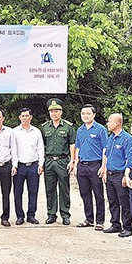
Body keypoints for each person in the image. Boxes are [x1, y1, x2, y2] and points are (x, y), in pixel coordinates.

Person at [40, 98, 75, 226]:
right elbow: (41, 145)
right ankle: (51, 214)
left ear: (61, 112)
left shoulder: (68, 127)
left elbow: (72, 144)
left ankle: (65, 214)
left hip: (62, 161)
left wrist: (72, 160)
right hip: (49, 161)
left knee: (64, 189)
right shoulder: (44, 127)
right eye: (52, 111)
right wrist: (41, 162)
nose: (54, 114)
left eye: (56, 111)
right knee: (50, 189)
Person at [72, 104, 107, 230]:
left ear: (94, 114)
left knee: (98, 194)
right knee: (85, 194)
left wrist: (103, 167)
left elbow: (105, 149)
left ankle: (100, 221)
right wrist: (76, 164)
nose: (85, 116)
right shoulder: (80, 130)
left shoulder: (100, 129)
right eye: (83, 114)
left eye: (88, 113)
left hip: (95, 165)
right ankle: (89, 218)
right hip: (82, 165)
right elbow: (78, 148)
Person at [102, 113, 132, 237]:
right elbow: (107, 155)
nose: (108, 124)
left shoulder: (127, 139)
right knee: (112, 200)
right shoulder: (111, 137)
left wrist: (126, 175)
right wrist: (104, 170)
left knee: (124, 201)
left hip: (120, 174)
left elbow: (128, 159)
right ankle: (115, 223)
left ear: (117, 123)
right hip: (110, 173)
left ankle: (127, 226)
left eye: (110, 121)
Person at [12, 108, 43, 226]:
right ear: (19, 117)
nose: (25, 118)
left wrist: (41, 164)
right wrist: (14, 165)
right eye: (22, 116)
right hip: (19, 166)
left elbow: (40, 149)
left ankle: (31, 215)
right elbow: (13, 150)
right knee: (17, 192)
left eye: (27, 116)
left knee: (33, 191)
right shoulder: (14, 132)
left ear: (31, 117)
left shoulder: (36, 132)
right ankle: (20, 216)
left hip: (33, 166)